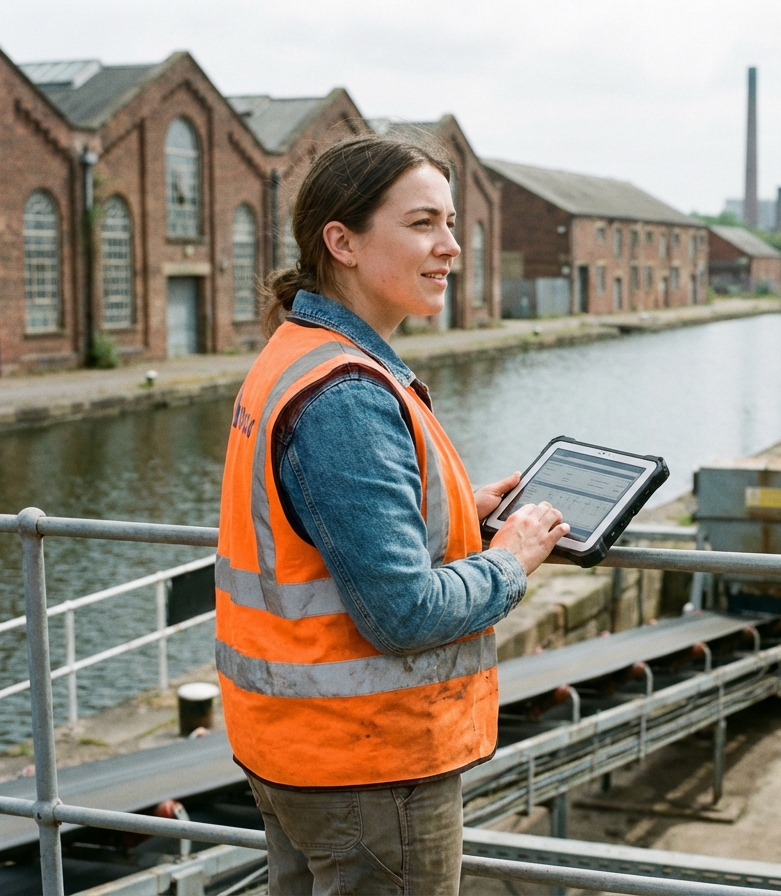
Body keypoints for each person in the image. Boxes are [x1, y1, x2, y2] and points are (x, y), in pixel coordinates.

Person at [215, 133, 568, 895]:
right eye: (421, 225)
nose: (450, 247)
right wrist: (510, 558)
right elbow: (403, 614)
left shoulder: (296, 351)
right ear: (340, 241)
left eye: (449, 223)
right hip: (368, 767)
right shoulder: (347, 393)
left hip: (292, 746)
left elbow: (314, 520)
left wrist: (457, 518)